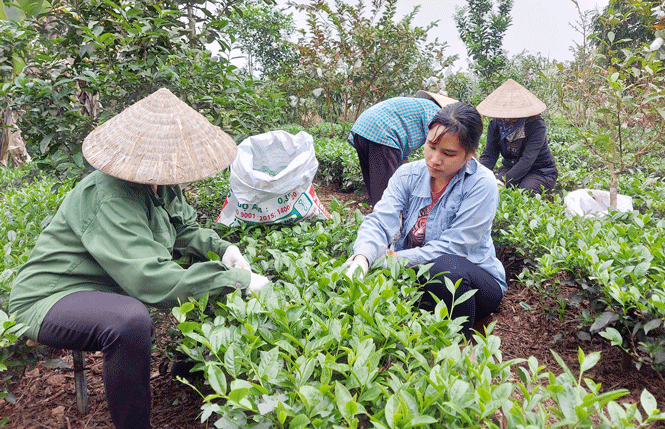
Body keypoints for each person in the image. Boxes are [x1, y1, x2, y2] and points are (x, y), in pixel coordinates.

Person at [8, 88, 270, 429]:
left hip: (106, 284)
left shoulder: (162, 182)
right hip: (53, 296)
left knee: (201, 279)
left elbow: (183, 230)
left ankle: (185, 368)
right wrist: (235, 280)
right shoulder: (109, 194)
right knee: (129, 322)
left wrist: (223, 250)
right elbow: (150, 278)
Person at [344, 102, 507, 339]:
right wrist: (363, 259)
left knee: (446, 270)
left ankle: (460, 349)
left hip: (474, 280)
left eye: (448, 154)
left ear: (470, 154)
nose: (434, 159)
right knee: (359, 255)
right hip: (417, 269)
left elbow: (455, 247)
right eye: (431, 146)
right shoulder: (407, 174)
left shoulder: (482, 184)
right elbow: (380, 221)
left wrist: (392, 261)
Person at [348, 90, 457, 206]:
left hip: (362, 130)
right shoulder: (435, 111)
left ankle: (379, 217)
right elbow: (437, 141)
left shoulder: (418, 108)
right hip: (383, 132)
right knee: (388, 192)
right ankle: (388, 220)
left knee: (376, 186)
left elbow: (402, 159)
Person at [477, 79, 558, 194]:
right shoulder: (496, 125)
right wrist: (476, 176)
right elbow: (489, 155)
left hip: (539, 170)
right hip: (510, 167)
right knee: (492, 188)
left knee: (526, 191)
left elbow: (527, 159)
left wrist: (503, 180)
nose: (507, 119)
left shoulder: (535, 125)